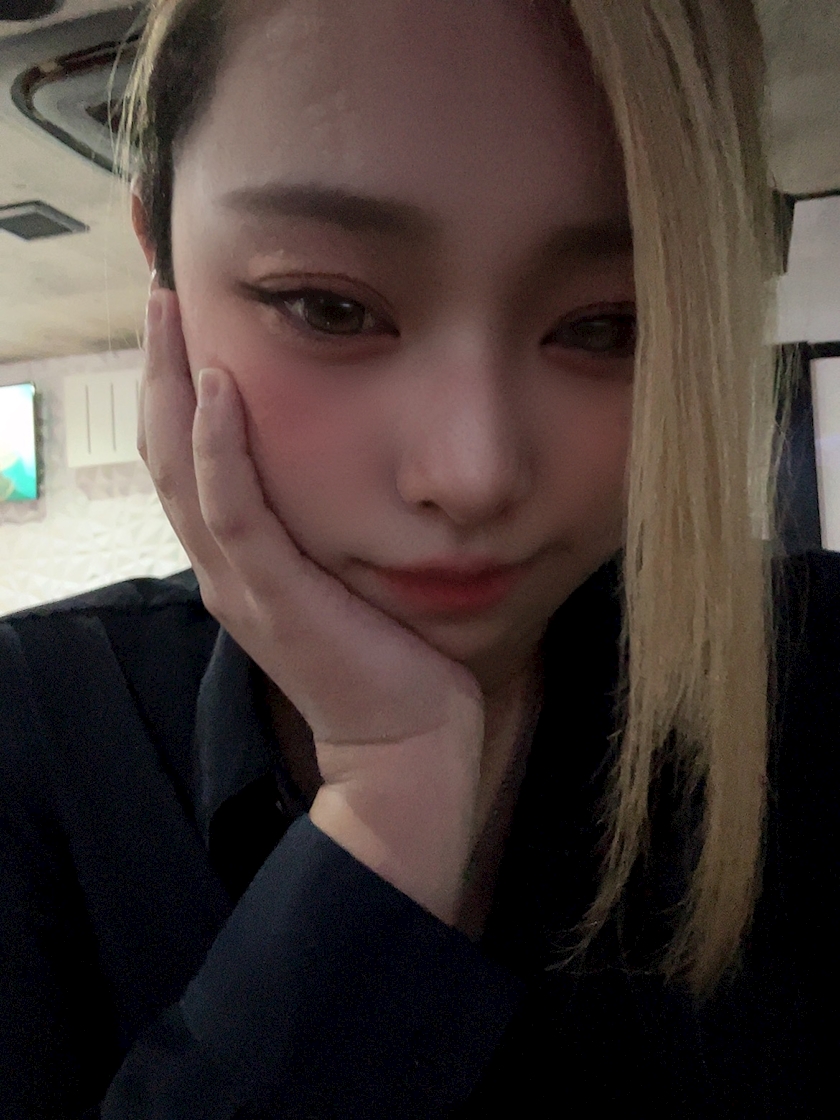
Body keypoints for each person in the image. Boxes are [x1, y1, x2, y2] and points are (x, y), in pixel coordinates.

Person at [0, 0, 835, 1115]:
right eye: (329, 307)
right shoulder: (31, 731)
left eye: (611, 324)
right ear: (161, 266)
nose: (473, 473)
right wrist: (383, 827)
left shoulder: (814, 677)